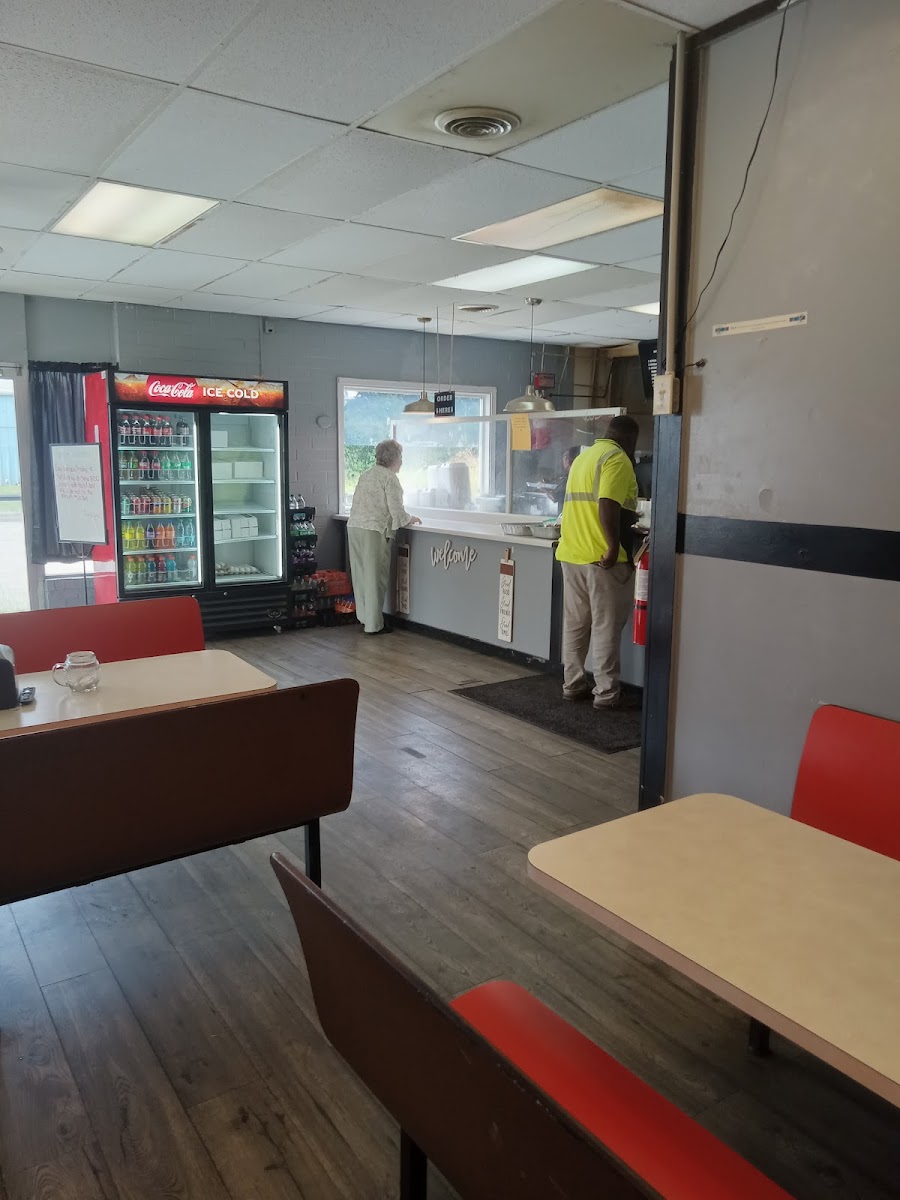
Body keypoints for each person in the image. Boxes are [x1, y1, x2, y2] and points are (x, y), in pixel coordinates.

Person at [555, 415, 639, 709]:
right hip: (602, 558)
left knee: (576, 624)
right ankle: (605, 692)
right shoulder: (617, 458)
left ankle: (573, 684)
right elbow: (607, 504)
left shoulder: (583, 458)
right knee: (605, 625)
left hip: (572, 552)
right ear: (630, 439)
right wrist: (613, 546)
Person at [347, 439, 421, 635]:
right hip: (374, 529)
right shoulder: (390, 478)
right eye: (401, 457)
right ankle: (373, 625)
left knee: (360, 575)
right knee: (375, 576)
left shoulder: (366, 474)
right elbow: (396, 511)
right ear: (394, 459)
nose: (402, 461)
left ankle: (364, 618)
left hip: (354, 527)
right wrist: (410, 519)